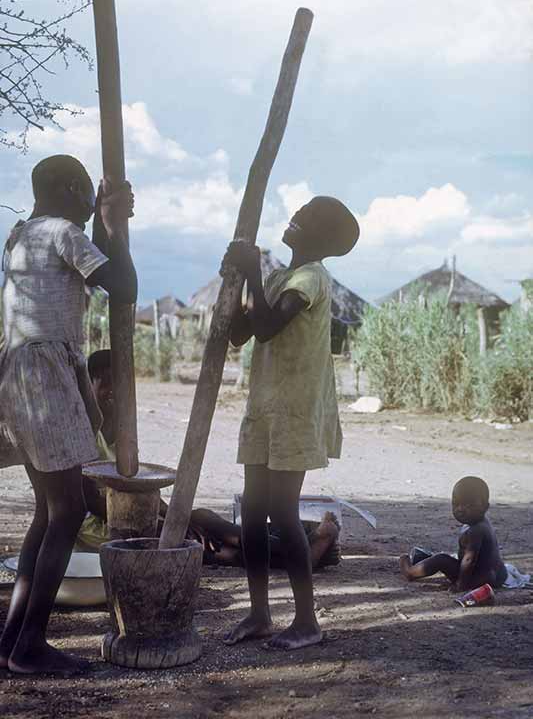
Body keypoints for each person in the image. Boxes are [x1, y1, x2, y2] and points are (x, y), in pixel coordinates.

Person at [0, 155, 137, 675]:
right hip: (45, 376)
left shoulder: (20, 236)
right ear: (69, 189)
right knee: (69, 511)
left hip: (23, 371)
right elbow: (125, 288)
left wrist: (103, 219)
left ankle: (14, 641)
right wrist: (109, 225)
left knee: (49, 511)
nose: (85, 205)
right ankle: (29, 644)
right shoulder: (62, 233)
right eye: (84, 194)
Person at [221, 196, 360, 650]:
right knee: (253, 514)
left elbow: (266, 328)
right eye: (297, 213)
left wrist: (254, 271)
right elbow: (242, 332)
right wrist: (240, 278)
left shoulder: (311, 278)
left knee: (281, 512)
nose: (294, 219)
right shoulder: (283, 277)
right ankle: (260, 613)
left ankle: (306, 621)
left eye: (304, 219)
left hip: (295, 414)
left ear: (321, 238)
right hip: (265, 410)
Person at [78, 350, 341, 570]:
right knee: (199, 545)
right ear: (90, 385)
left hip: (133, 517)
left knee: (202, 520)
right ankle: (304, 554)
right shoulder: (84, 431)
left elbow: (138, 487)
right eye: (105, 383)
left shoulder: (121, 428)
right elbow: (92, 501)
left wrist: (177, 517)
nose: (113, 391)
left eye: (121, 383)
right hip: (103, 527)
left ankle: (300, 550)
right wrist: (165, 523)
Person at [399, 476, 507, 592]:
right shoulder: (483, 523)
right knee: (441, 557)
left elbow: (469, 560)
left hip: (478, 579)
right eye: (456, 504)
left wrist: (461, 584)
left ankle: (410, 572)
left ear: (485, 507)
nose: (460, 509)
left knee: (441, 559)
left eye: (469, 505)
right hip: (497, 575)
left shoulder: (475, 531)